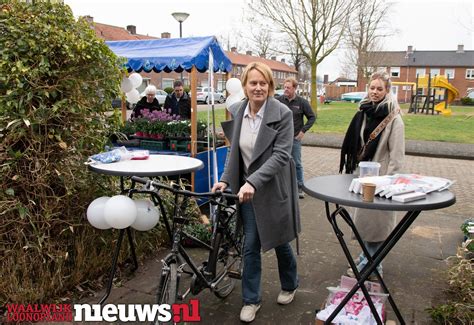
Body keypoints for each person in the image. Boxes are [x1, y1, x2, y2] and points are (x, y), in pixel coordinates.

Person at [212, 62, 300, 323]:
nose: (258, 87)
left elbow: (282, 155)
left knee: (279, 241)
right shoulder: (239, 111)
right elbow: (234, 151)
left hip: (273, 188)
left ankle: (290, 283)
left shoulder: (282, 113)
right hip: (247, 192)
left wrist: (253, 181)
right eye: (253, 83)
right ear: (245, 86)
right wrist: (226, 180)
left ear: (270, 86)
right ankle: (251, 300)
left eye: (263, 83)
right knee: (250, 244)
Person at [339, 71, 405, 280]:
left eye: (380, 89)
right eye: (372, 88)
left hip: (381, 180)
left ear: (387, 91)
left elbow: (397, 156)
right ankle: (366, 256)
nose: (375, 92)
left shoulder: (394, 118)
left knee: (377, 225)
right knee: (365, 224)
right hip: (363, 176)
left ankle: (373, 266)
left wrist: (388, 182)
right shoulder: (363, 112)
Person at [278, 77, 316, 199]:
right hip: (280, 138)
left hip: (294, 138)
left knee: (296, 163)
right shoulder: (278, 101)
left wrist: (303, 131)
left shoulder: (302, 102)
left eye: (288, 88)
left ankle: (300, 187)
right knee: (279, 163)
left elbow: (312, 117)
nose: (285, 90)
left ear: (295, 88)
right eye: (284, 87)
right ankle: (283, 188)